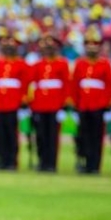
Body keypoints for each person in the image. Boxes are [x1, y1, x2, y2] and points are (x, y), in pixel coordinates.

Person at [70, 29, 111, 174]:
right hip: (83, 105)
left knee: (96, 136)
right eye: (88, 44)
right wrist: (75, 103)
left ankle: (94, 165)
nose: (91, 47)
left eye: (94, 44)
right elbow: (75, 85)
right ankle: (85, 162)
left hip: (98, 105)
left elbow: (108, 86)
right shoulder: (80, 64)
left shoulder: (104, 64)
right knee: (83, 136)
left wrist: (106, 103)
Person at [30, 34, 70, 172]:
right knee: (40, 135)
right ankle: (42, 161)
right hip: (40, 105)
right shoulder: (38, 65)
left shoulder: (62, 64)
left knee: (52, 136)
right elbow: (33, 85)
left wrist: (64, 105)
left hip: (55, 106)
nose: (47, 50)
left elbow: (65, 85)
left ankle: (51, 163)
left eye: (50, 47)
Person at [0, 33, 29, 170]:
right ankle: (0, 159)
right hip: (0, 104)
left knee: (11, 134)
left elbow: (25, 84)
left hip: (13, 104)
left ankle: (11, 160)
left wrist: (23, 100)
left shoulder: (21, 64)